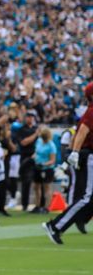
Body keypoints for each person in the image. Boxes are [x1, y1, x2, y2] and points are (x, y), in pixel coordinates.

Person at [43, 82, 93, 245]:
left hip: (86, 154)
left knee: (87, 197)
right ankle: (56, 226)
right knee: (86, 197)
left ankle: (80, 219)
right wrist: (75, 152)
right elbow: (82, 132)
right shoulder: (92, 111)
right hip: (89, 155)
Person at [14, 110, 40, 211]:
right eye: (29, 117)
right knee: (26, 181)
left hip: (36, 157)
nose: (30, 119)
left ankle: (39, 205)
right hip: (26, 156)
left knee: (38, 181)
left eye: (32, 117)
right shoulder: (21, 130)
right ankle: (25, 204)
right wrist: (35, 135)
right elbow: (23, 143)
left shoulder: (35, 129)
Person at [32, 127, 57, 214]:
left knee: (47, 187)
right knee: (36, 186)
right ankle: (37, 205)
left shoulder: (51, 146)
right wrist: (34, 156)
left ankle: (47, 207)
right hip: (37, 167)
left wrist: (44, 164)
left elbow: (52, 160)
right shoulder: (39, 141)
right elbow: (36, 151)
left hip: (47, 169)